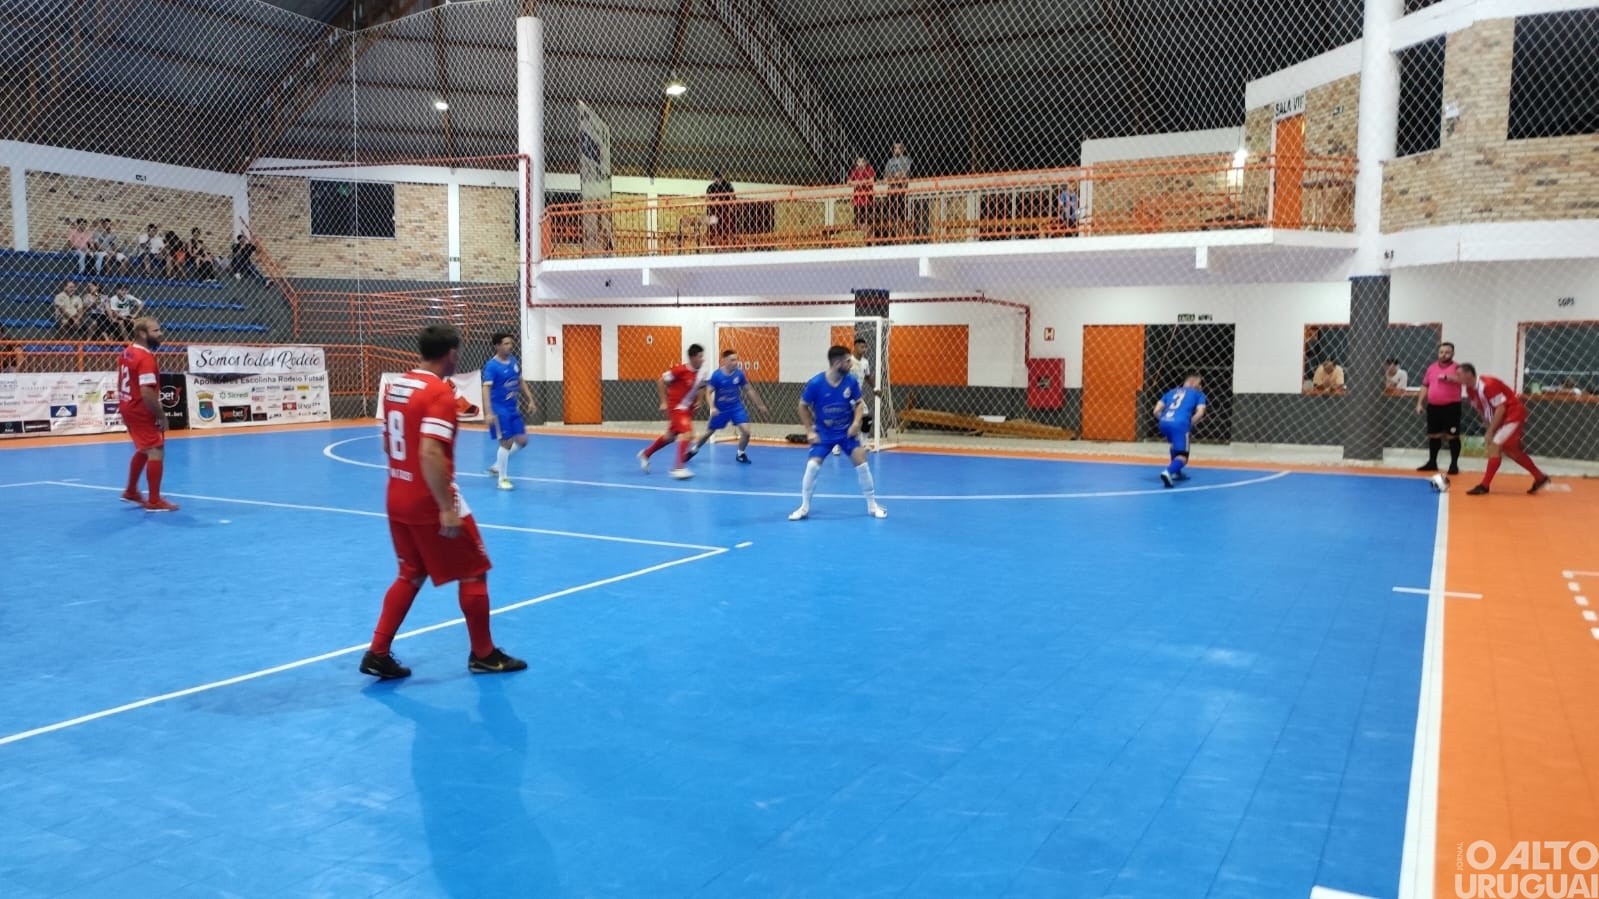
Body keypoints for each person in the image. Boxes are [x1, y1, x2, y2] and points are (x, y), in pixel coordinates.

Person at [361, 324, 527, 680]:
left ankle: (377, 651)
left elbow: (388, 443)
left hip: (397, 494)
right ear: (452, 353)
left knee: (410, 572)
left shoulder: (396, 386)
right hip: (429, 499)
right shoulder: (439, 393)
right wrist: (447, 509)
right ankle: (483, 654)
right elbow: (431, 452)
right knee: (474, 571)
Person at [790, 346, 887, 520]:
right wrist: (809, 430)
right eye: (848, 361)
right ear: (837, 363)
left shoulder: (851, 382)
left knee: (862, 464)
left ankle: (872, 506)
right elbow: (802, 406)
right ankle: (804, 507)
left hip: (846, 432)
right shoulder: (816, 384)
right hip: (823, 433)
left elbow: (858, 403)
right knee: (812, 466)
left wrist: (856, 423)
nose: (851, 364)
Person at [1455, 363, 1550, 496]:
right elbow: (1482, 411)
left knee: (1495, 447)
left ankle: (1484, 485)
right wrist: (1489, 428)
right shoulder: (1471, 390)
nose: (1456, 378)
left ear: (1468, 374)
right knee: (1512, 452)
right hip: (1501, 419)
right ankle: (1540, 477)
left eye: (1458, 375)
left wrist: (1490, 432)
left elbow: (1501, 407)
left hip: (1512, 414)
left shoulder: (1487, 384)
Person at [116, 317, 179, 512]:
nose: (161, 334)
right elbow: (147, 392)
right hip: (140, 408)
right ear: (143, 334)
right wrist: (161, 416)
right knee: (156, 450)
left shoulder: (127, 352)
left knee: (144, 448)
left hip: (127, 405)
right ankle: (154, 500)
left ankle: (131, 491)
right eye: (156, 330)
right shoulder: (146, 358)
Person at [687, 349, 769, 464]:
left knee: (746, 432)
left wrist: (760, 405)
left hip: (736, 407)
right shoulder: (717, 375)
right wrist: (712, 407)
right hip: (720, 409)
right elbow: (708, 392)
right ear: (724, 361)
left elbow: (749, 389)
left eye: (736, 359)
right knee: (708, 433)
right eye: (732, 360)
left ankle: (740, 453)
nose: (735, 362)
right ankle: (693, 450)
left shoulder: (739, 374)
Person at [638, 343, 706, 480]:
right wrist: (663, 401)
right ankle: (678, 467)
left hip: (687, 410)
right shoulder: (679, 370)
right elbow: (660, 381)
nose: (702, 359)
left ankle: (645, 454)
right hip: (677, 408)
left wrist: (699, 400)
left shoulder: (700, 374)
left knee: (670, 437)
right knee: (688, 434)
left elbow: (701, 387)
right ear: (693, 357)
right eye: (700, 357)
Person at [481, 332, 536, 491]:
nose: (509, 346)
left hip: (513, 408)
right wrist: (488, 412)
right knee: (506, 442)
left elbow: (520, 380)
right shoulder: (492, 366)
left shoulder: (513, 361)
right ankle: (502, 479)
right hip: (499, 409)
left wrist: (530, 399)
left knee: (522, 441)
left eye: (511, 343)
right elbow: (486, 388)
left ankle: (498, 465)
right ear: (497, 346)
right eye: (506, 343)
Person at [1416, 341, 1463, 475]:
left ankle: (1453, 465)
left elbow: (1464, 380)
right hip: (1433, 407)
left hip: (1451, 407)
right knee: (1434, 435)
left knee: (1452, 436)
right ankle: (1432, 462)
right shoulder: (1431, 368)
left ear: (1452, 353)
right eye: (1441, 352)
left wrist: (1450, 378)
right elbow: (1425, 385)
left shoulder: (1458, 368)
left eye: (1447, 352)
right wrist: (1419, 403)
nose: (1444, 355)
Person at [1153, 373, 1207, 488]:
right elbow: (1200, 412)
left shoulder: (1171, 391)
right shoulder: (1199, 394)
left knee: (1174, 445)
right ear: (1199, 386)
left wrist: (1166, 419)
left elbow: (1156, 411)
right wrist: (1189, 423)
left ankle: (1176, 473)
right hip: (1180, 423)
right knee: (1183, 456)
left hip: (1163, 422)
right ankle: (1168, 471)